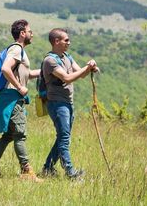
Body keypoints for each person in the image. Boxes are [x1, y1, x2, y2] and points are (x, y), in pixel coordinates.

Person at [0, 19, 41, 181]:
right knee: (20, 134)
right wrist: (19, 87)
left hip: (9, 97)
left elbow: (27, 74)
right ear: (22, 33)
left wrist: (45, 70)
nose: (32, 34)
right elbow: (5, 69)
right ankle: (26, 171)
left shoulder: (19, 51)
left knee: (9, 135)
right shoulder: (16, 49)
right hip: (12, 97)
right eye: (30, 31)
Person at [41, 28, 98, 179]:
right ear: (56, 41)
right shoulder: (50, 60)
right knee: (64, 138)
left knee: (62, 137)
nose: (69, 43)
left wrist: (90, 67)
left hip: (67, 103)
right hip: (57, 104)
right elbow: (67, 78)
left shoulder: (67, 57)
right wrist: (87, 68)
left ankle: (47, 168)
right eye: (66, 40)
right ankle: (71, 173)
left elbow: (81, 74)